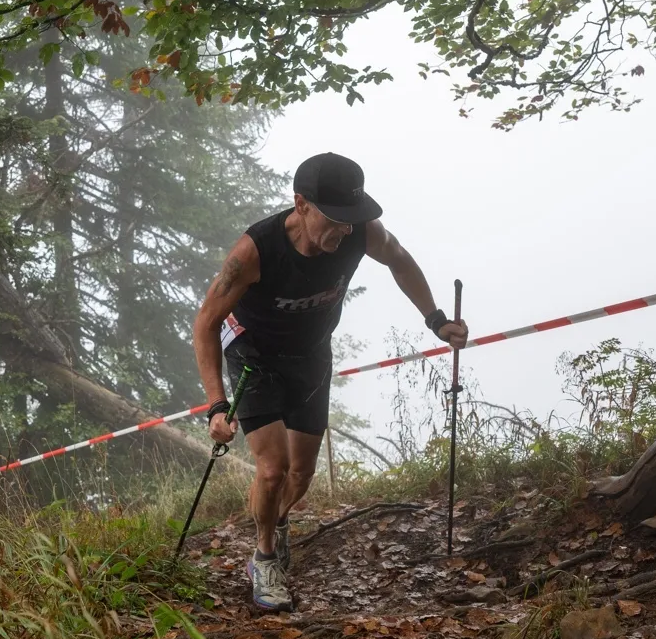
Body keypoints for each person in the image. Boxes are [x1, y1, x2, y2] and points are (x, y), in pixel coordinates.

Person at [192, 152, 468, 611]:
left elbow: (400, 261)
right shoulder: (254, 252)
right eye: (334, 219)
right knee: (273, 469)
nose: (343, 230)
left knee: (300, 476)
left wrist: (436, 320)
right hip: (253, 357)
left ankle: (274, 518)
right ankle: (263, 559)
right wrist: (217, 405)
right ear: (301, 204)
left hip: (312, 356)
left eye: (350, 220)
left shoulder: (362, 234)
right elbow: (205, 324)